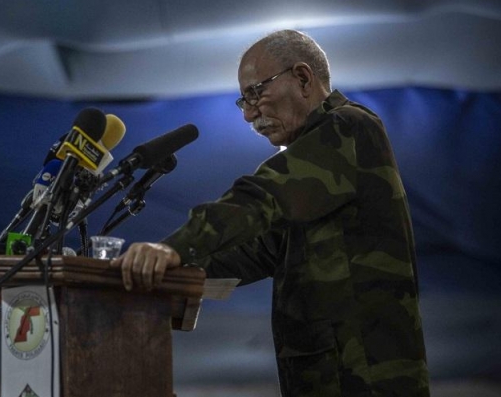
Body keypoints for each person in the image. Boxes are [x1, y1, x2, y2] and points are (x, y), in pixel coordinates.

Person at [112, 30, 430, 396]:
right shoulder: (317, 178)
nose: (248, 113)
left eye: (255, 92)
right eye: (243, 101)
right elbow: (258, 251)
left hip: (367, 379)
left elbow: (263, 195)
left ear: (303, 78)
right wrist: (170, 277)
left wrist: (173, 248)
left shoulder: (350, 128)